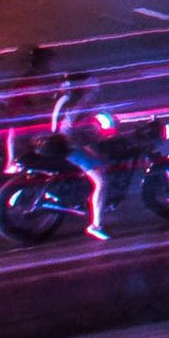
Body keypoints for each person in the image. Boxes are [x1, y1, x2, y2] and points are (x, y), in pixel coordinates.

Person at [44, 65, 112, 240]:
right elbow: (73, 131)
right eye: (89, 83)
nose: (93, 85)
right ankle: (96, 225)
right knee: (102, 180)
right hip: (69, 147)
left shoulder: (64, 98)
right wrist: (92, 149)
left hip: (57, 142)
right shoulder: (79, 103)